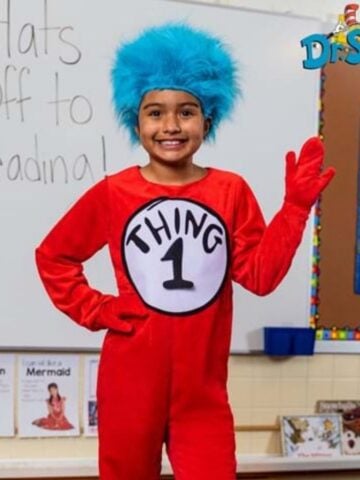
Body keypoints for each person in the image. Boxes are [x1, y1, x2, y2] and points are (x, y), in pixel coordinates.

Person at [35, 22, 335, 480]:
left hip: (203, 389)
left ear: (208, 119)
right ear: (134, 120)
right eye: (155, 113)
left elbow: (260, 275)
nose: (171, 125)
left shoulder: (230, 190)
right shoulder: (113, 193)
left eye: (187, 112)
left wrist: (294, 210)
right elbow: (54, 256)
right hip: (130, 381)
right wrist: (97, 308)